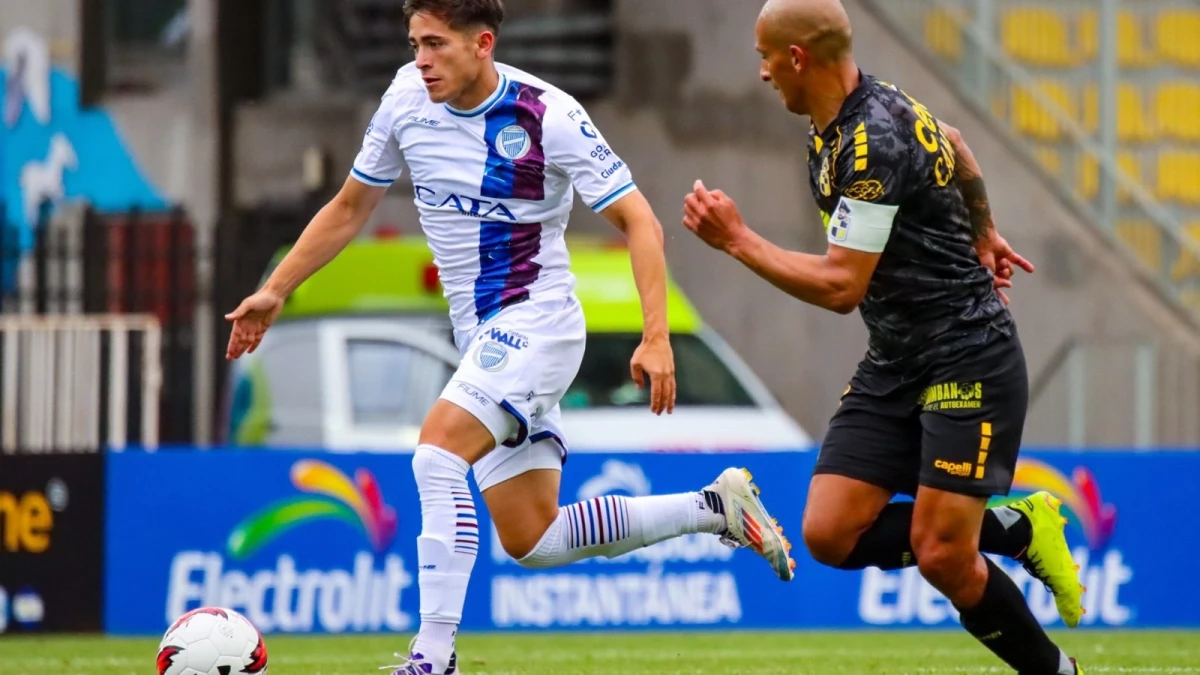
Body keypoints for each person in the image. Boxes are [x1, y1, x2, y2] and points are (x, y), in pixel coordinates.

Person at [223, 1, 794, 673]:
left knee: (436, 453)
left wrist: (657, 335)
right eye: (414, 43)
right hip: (483, 340)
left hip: (539, 324)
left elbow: (641, 220)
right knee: (533, 536)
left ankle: (432, 655)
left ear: (482, 43)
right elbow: (350, 206)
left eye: (435, 44)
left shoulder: (547, 115)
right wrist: (277, 288)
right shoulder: (406, 98)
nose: (421, 59)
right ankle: (713, 507)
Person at [681, 0, 1086, 673]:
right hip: (899, 360)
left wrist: (738, 240)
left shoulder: (871, 140)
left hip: (967, 356)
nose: (761, 72)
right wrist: (983, 227)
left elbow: (843, 288)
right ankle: (1016, 527)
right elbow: (951, 138)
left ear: (798, 58)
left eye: (764, 56)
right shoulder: (853, 113)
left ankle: (1057, 670)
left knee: (942, 555)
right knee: (829, 533)